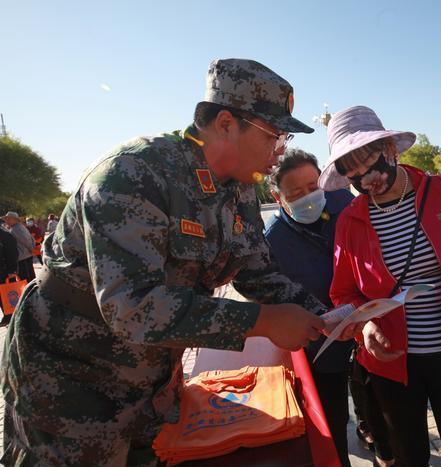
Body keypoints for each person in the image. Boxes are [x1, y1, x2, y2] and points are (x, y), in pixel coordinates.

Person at [0, 58, 342, 466]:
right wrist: (261, 321)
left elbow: (259, 274)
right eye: (274, 135)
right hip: (69, 378)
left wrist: (332, 321)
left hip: (153, 382)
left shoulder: (241, 192)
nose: (279, 151)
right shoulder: (132, 174)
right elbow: (133, 306)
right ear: (227, 123)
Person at [320, 105, 441, 467]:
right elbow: (343, 293)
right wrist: (364, 328)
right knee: (408, 455)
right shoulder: (350, 220)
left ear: (390, 148)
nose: (366, 177)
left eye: (368, 160)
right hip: (390, 362)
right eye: (352, 171)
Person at [265, 148, 382, 466]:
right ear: (278, 197)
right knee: (331, 420)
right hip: (320, 343)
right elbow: (269, 298)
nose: (309, 198)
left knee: (375, 403)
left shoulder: (344, 203)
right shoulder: (272, 242)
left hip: (367, 329)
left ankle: (372, 433)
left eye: (313, 187)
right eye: (296, 193)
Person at [1, 211, 35, 281]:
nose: (7, 221)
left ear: (15, 220)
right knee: (30, 276)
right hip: (26, 255)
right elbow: (32, 239)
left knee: (25, 278)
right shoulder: (20, 227)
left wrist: (31, 249)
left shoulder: (15, 229)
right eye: (6, 219)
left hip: (22, 257)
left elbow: (26, 240)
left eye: (9, 219)